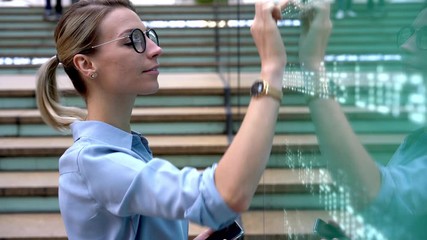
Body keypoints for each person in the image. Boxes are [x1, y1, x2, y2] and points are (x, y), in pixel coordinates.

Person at [35, 0, 328, 238]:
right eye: (133, 40)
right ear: (86, 64)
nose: (154, 48)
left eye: (148, 36)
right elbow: (225, 195)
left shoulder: (127, 150)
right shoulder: (92, 162)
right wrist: (272, 69)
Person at [303, 5, 427, 240]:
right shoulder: (416, 141)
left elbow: (378, 197)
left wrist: (312, 66)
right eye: (410, 33)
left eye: (426, 36)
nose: (406, 45)